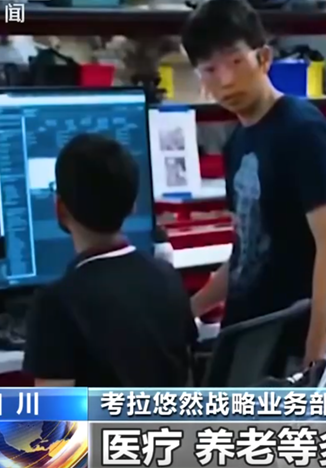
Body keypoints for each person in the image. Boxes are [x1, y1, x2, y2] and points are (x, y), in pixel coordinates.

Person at [181, 0, 326, 373]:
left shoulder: (303, 130)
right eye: (210, 69)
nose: (225, 80)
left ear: (264, 58)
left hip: (288, 340)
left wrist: (317, 348)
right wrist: (190, 308)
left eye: (235, 62)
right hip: (246, 335)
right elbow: (246, 254)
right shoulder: (237, 143)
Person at [23, 133, 196, 387]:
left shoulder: (55, 304)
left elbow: (53, 411)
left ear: (59, 208)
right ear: (133, 206)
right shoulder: (168, 277)